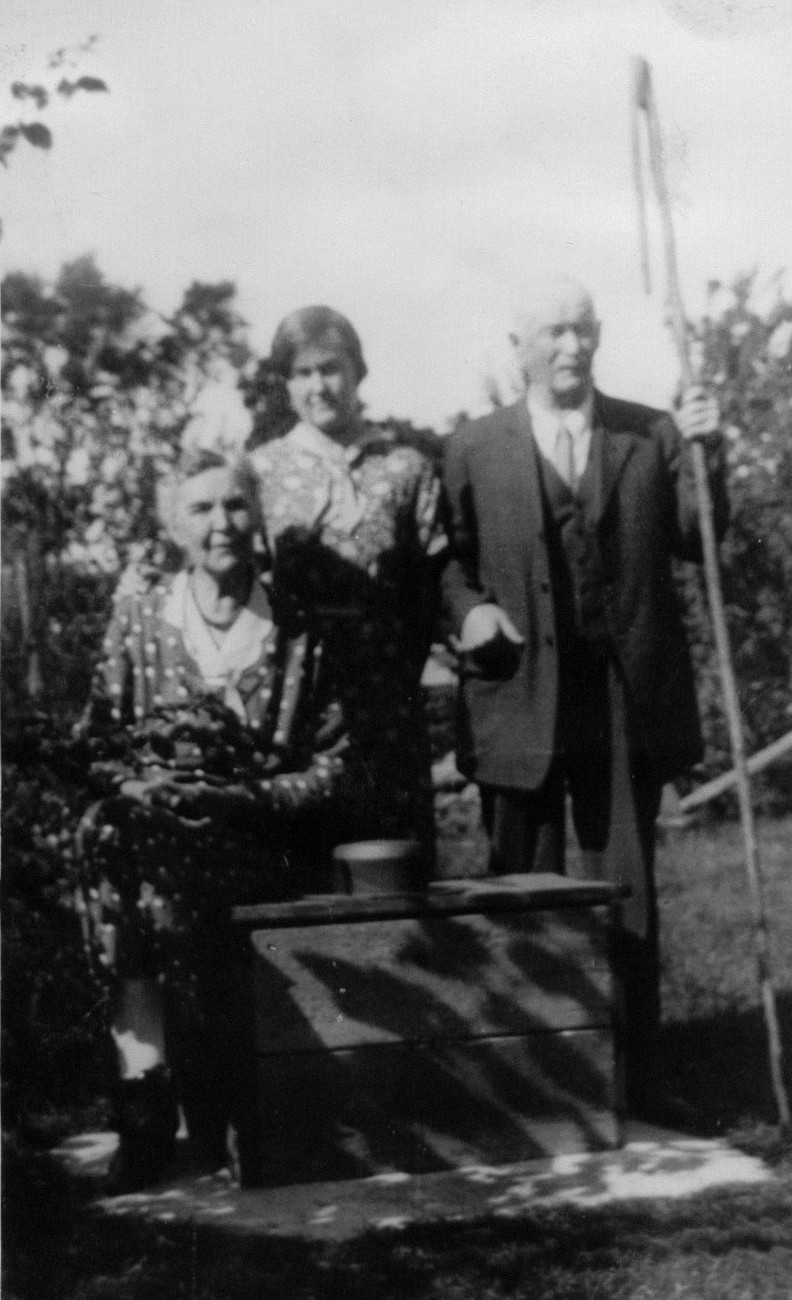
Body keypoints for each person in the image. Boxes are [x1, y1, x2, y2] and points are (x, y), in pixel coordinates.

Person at [440, 277, 728, 1117]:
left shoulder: (652, 433)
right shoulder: (473, 449)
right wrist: (470, 608)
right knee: (521, 887)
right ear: (519, 347)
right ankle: (529, 1084)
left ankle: (637, 1080)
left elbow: (697, 533)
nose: (573, 346)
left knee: (626, 891)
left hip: (624, 695)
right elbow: (444, 561)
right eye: (555, 332)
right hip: (519, 690)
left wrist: (711, 450)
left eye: (584, 330)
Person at [75, 447, 365, 1188]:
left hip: (259, 843)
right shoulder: (143, 619)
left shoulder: (297, 630)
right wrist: (140, 790)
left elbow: (333, 765)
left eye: (235, 505)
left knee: (155, 880)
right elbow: (98, 743)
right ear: (175, 525)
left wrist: (242, 800)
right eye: (201, 508)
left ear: (258, 515)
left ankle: (210, 1101)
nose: (221, 524)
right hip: (152, 846)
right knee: (125, 856)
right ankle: (153, 1111)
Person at [250, 306, 448, 871]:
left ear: (358, 372)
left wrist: (402, 665)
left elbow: (431, 583)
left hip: (387, 700)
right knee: (304, 864)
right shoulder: (261, 472)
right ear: (286, 384)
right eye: (303, 373)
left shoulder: (406, 466)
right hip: (296, 705)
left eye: (331, 369)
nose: (319, 386)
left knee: (396, 867)